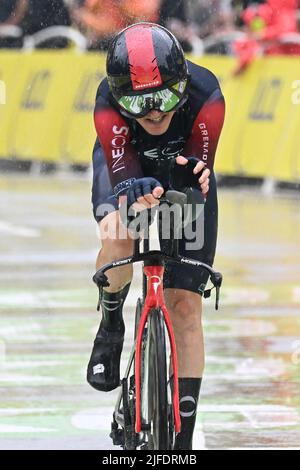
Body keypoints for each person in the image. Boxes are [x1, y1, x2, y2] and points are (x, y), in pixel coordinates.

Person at [87, 23, 225, 450]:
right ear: (118, 95)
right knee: (118, 231)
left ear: (181, 85)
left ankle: (180, 443)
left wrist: (194, 174)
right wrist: (131, 191)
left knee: (185, 306)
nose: (152, 112)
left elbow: (200, 165)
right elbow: (122, 172)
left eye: (164, 98)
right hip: (125, 164)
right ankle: (111, 326)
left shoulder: (207, 94)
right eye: (138, 102)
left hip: (182, 171)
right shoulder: (107, 103)